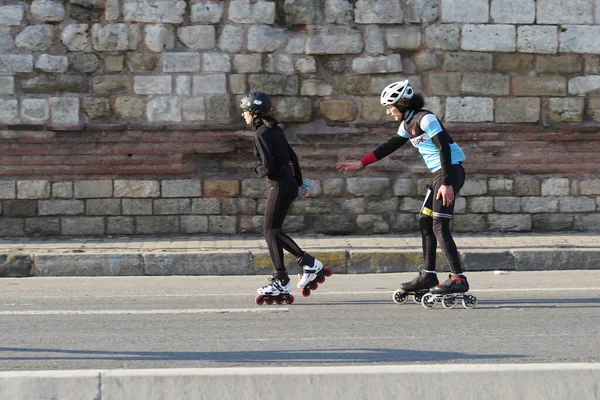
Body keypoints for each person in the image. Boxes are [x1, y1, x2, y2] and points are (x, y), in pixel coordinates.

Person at [336, 80, 470, 296]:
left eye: (390, 107)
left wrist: (446, 183)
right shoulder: (407, 123)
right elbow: (390, 145)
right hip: (439, 175)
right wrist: (361, 163)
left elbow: (443, 146)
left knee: (439, 225)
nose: (388, 112)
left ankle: (458, 278)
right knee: (425, 221)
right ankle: (428, 275)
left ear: (403, 103)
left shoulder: (425, 118)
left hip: (450, 172)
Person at [241, 91, 325, 303]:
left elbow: (268, 167)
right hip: (288, 184)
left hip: (278, 185)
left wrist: (256, 170)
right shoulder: (274, 129)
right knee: (274, 231)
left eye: (244, 111)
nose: (243, 115)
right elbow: (293, 157)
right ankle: (305, 265)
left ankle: (284, 277)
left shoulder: (261, 133)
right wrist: (298, 182)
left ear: (254, 113)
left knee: (269, 231)